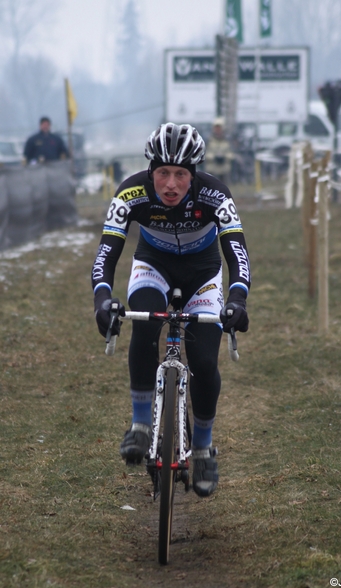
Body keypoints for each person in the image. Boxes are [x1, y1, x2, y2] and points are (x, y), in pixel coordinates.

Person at [91, 122, 250, 497]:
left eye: (180, 174)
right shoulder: (130, 192)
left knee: (205, 362)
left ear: (193, 175)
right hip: (153, 265)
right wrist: (101, 299)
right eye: (163, 172)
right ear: (150, 171)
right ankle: (141, 425)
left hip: (203, 273)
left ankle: (203, 448)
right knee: (144, 325)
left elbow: (237, 254)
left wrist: (238, 300)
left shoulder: (215, 194)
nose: (171, 184)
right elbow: (106, 252)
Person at [204, 117, 235, 186]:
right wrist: (214, 157)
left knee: (223, 188)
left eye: (219, 127)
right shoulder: (208, 140)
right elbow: (204, 153)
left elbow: (231, 153)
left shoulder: (227, 140)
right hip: (212, 169)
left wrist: (224, 157)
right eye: (216, 127)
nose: (218, 130)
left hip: (224, 170)